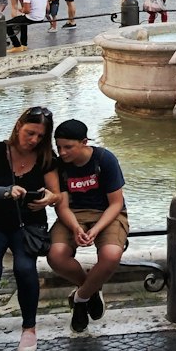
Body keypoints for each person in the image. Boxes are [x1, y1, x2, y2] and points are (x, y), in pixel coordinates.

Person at [49, 118, 128, 334]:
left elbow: (116, 203)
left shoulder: (104, 159)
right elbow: (61, 206)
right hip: (72, 214)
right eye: (59, 147)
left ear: (84, 142)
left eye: (68, 147)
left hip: (107, 214)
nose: (62, 152)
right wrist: (76, 228)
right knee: (56, 255)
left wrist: (95, 230)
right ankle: (92, 289)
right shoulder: (59, 166)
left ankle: (81, 298)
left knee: (111, 255)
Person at [0, 105, 59, 351]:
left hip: (29, 225)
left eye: (40, 136)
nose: (34, 140)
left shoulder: (47, 159)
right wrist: (4, 192)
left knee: (24, 268)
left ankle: (29, 328)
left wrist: (49, 198)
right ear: (18, 126)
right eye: (30, 133)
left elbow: (57, 194)